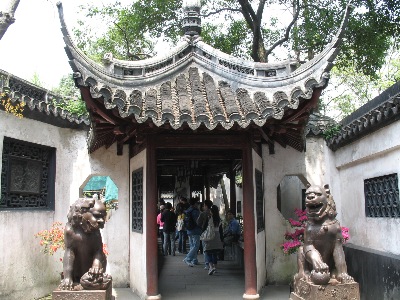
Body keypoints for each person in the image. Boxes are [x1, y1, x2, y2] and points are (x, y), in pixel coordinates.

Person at [203, 205, 224, 275]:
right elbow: (221, 231)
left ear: (211, 211)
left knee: (207, 252)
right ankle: (215, 268)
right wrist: (221, 239)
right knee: (214, 253)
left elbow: (204, 227)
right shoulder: (219, 220)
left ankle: (211, 267)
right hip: (217, 236)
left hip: (209, 236)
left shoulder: (209, 218)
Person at [183, 197, 201, 267]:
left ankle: (194, 260)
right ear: (195, 203)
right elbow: (198, 221)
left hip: (189, 230)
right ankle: (188, 258)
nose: (198, 204)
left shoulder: (188, 210)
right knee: (196, 246)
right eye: (198, 203)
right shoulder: (195, 211)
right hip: (195, 230)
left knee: (192, 246)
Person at [197, 200, 213, 269]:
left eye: (203, 205)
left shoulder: (203, 214)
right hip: (213, 233)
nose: (203, 207)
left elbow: (198, 222)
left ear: (206, 206)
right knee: (212, 249)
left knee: (205, 249)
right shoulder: (213, 213)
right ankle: (212, 264)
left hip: (205, 233)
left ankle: (207, 264)